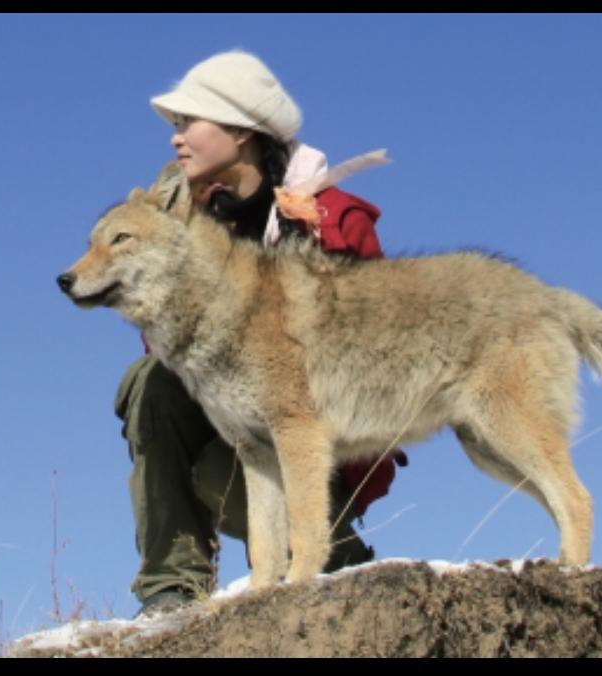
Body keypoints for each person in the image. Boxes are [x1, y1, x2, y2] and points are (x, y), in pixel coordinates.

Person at [113, 50, 406, 616]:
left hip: (320, 441)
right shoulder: (183, 226)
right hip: (233, 421)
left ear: (243, 130)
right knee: (150, 383)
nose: (176, 140)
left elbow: (372, 348)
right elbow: (173, 353)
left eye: (189, 123)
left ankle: (333, 552)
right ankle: (170, 589)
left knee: (221, 473)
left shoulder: (332, 217)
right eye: (174, 127)